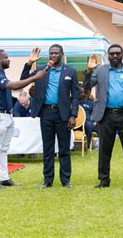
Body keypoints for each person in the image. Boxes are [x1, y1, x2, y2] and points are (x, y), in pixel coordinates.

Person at [83, 45, 123, 189]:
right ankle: (104, 180)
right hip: (106, 115)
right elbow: (87, 88)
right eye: (112, 54)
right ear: (108, 55)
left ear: (122, 54)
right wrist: (89, 71)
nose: (115, 56)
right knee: (104, 149)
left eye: (118, 53)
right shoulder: (100, 70)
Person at [0, 49, 46, 189]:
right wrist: (35, 77)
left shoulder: (1, 74)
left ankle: (5, 177)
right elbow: (14, 85)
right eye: (6, 57)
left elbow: (17, 83)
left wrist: (29, 63)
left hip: (6, 115)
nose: (9, 59)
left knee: (4, 149)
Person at [20, 45, 79, 189]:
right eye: (51, 53)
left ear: (62, 54)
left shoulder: (70, 71)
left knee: (64, 148)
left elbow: (76, 95)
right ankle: (48, 180)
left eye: (56, 53)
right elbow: (24, 79)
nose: (53, 55)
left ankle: (65, 180)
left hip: (63, 114)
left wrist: (73, 115)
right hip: (46, 112)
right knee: (48, 148)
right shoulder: (42, 69)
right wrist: (29, 63)